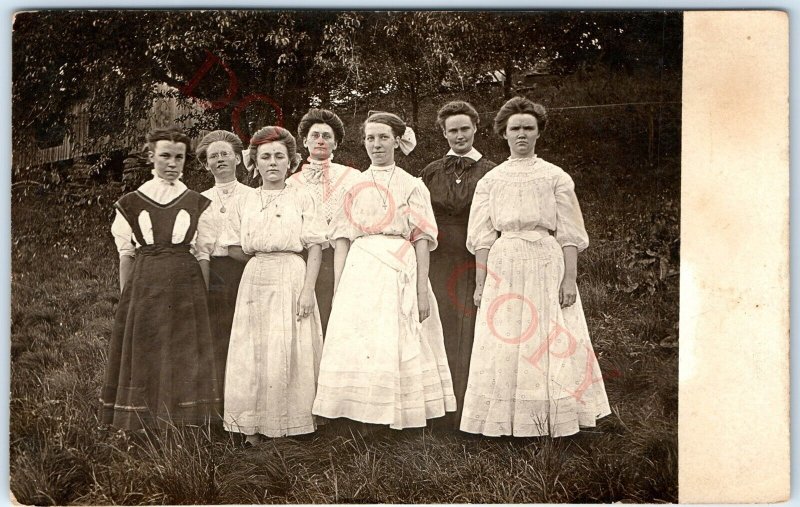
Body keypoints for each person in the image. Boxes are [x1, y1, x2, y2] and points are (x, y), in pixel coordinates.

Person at [462, 97, 611, 437]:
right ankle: (505, 420)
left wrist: (569, 279)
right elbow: (482, 237)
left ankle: (552, 417)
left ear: (539, 132)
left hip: (546, 260)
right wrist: (481, 283)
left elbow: (570, 233)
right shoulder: (491, 180)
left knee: (547, 335)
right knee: (507, 335)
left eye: (529, 128)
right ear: (504, 134)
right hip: (505, 261)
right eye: (515, 129)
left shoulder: (555, 176)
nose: (522, 135)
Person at [312, 111, 456, 429]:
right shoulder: (353, 184)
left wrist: (421, 289)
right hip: (361, 268)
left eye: (383, 138)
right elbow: (342, 239)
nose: (376, 145)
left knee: (400, 336)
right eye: (370, 138)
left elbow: (421, 240)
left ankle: (402, 412)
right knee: (362, 339)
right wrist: (339, 289)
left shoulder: (412, 185)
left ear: (396, 141)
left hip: (399, 263)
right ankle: (361, 415)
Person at [102, 126, 220, 431]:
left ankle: (182, 421)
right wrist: (128, 298)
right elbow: (126, 254)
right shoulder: (131, 202)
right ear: (151, 156)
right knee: (146, 345)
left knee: (183, 348)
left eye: (179, 157)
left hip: (185, 285)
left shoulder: (196, 202)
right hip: (146, 283)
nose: (172, 163)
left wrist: (202, 296)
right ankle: (141, 420)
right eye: (165, 156)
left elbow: (203, 253)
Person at [223, 126, 327, 444]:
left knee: (290, 347)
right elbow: (232, 246)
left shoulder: (303, 197)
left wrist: (307, 289)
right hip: (255, 278)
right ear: (254, 161)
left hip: (293, 276)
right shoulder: (246, 200)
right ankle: (252, 428)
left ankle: (288, 427)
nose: (272, 163)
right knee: (252, 351)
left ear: (291, 162)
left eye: (279, 156)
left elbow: (315, 247)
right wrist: (261, 260)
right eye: (265, 157)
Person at [419, 100, 497, 430]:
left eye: (465, 128)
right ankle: (441, 411)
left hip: (475, 255)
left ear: (476, 129)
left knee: (473, 326)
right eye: (453, 130)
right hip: (437, 257)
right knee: (440, 326)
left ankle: (470, 410)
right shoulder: (431, 171)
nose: (459, 135)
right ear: (444, 133)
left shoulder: (492, 171)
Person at [287, 109, 361, 334]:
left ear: (336, 144)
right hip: (307, 259)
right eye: (315, 135)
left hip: (345, 257)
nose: (321, 140)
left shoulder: (353, 176)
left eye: (327, 136)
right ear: (305, 141)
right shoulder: (292, 182)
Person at [195, 130, 255, 397]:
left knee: (247, 337)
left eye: (225, 154)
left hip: (246, 268)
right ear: (206, 164)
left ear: (237, 160)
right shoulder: (199, 200)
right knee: (218, 334)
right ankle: (219, 401)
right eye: (213, 156)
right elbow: (200, 247)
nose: (220, 159)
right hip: (214, 271)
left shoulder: (253, 196)